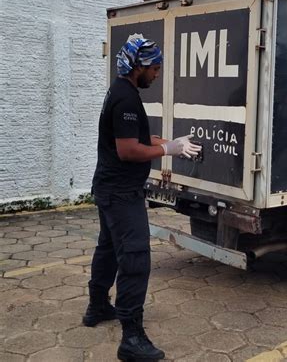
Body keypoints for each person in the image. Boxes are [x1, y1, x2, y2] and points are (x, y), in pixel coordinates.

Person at [83, 37, 201, 361]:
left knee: (108, 248)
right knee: (135, 257)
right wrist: (166, 150)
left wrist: (171, 142)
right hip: (121, 194)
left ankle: (96, 307)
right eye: (155, 68)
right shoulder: (125, 98)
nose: (157, 74)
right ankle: (131, 337)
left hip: (110, 190)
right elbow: (128, 149)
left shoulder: (122, 91)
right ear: (139, 67)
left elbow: (136, 137)